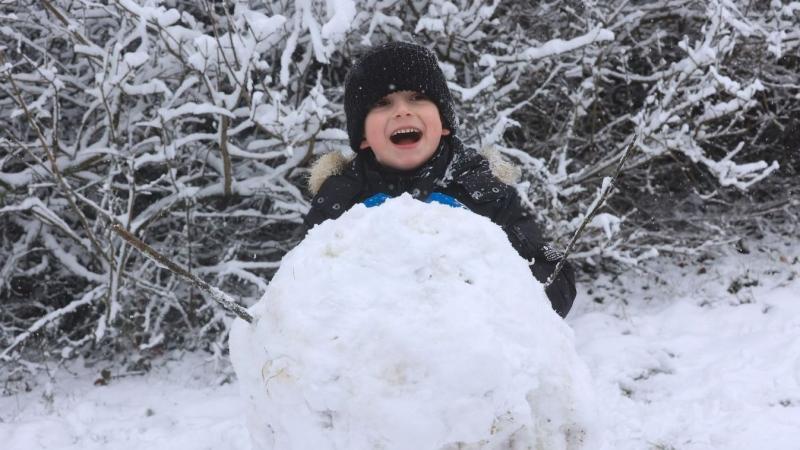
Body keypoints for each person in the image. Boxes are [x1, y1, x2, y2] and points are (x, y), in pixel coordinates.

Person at [304, 41, 576, 317]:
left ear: (444, 123)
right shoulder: (339, 200)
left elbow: (555, 277)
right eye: (382, 103)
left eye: (417, 98)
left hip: (470, 345)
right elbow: (298, 291)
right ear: (362, 137)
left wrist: (491, 286)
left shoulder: (484, 189)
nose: (402, 111)